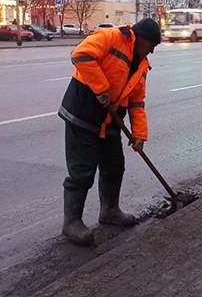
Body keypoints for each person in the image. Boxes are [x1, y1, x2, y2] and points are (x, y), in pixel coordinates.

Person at [58, 18, 161, 245]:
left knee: (114, 166)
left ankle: (110, 211)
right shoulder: (112, 37)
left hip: (111, 122)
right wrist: (101, 86)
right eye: (152, 45)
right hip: (83, 114)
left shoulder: (142, 65)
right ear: (141, 38)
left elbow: (136, 102)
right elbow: (80, 54)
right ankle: (71, 222)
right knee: (82, 171)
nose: (152, 51)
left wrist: (139, 135)